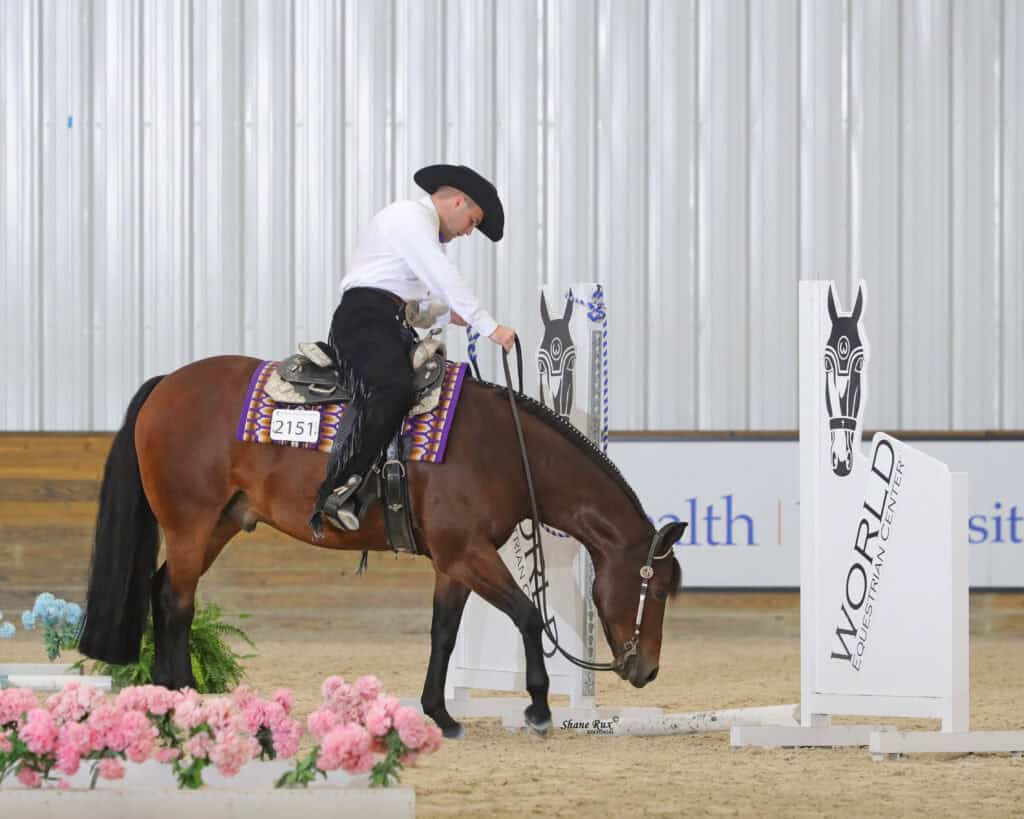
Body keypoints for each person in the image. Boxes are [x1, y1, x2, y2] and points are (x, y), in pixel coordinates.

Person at [310, 164, 516, 534]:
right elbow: (441, 276)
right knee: (393, 388)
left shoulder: (414, 231)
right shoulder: (409, 217)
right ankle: (340, 487)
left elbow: (411, 303)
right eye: (472, 220)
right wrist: (489, 326)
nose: (469, 231)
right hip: (364, 321)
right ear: (456, 202)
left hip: (388, 321)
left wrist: (446, 315)